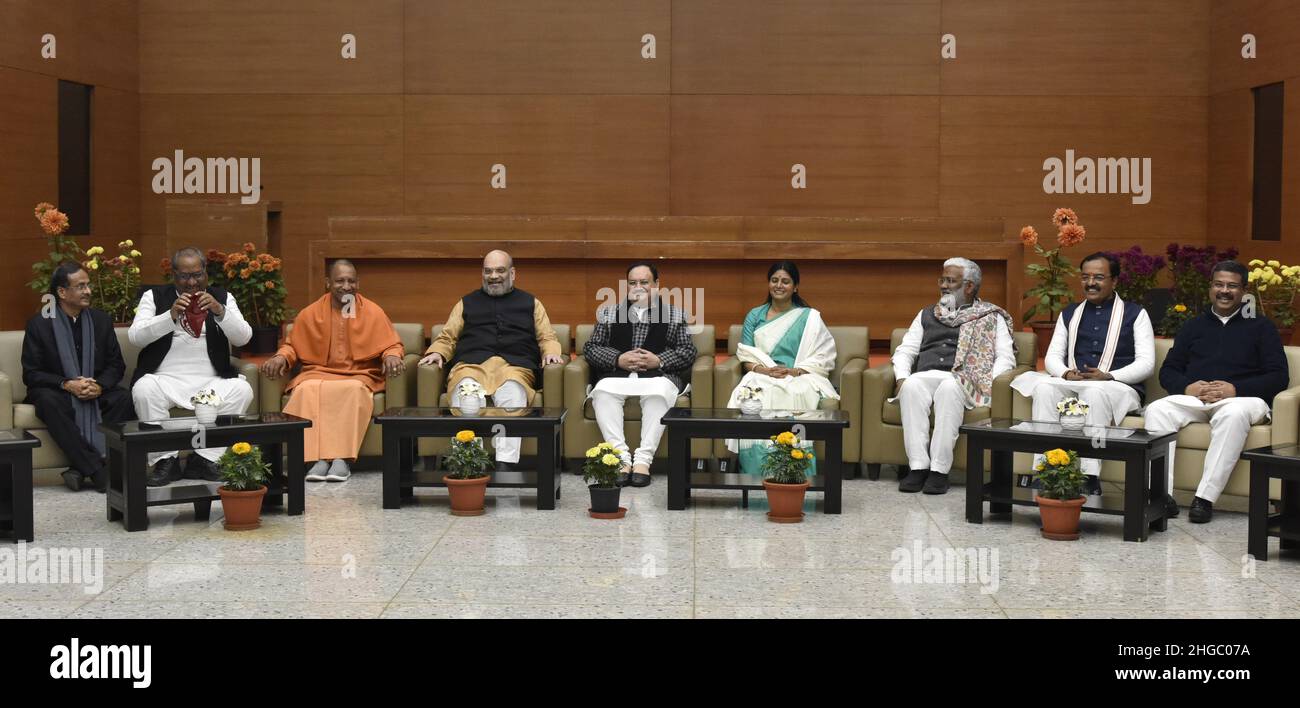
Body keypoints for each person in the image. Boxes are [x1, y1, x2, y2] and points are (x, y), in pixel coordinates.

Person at [1144, 260, 1289, 523]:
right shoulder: (1193, 326)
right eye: (1219, 284)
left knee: (1231, 414)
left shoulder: (1261, 327)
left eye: (1232, 286)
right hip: (1197, 400)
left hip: (1244, 401)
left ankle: (1204, 499)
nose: (1224, 291)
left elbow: (1279, 377)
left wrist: (1236, 389)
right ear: (1210, 288)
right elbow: (1169, 371)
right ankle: (1161, 497)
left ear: (1244, 291)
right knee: (1157, 410)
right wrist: (1189, 387)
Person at [1011, 251, 1154, 498]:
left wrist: (1109, 376)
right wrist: (1066, 373)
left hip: (1118, 385)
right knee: (1045, 388)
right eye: (1085, 277)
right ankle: (1045, 470)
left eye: (1099, 277)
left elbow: (1146, 363)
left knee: (1094, 390)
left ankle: (1089, 476)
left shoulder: (1136, 314)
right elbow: (1053, 356)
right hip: (1075, 383)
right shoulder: (1071, 313)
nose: (1091, 283)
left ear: (1115, 281)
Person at [260, 259, 405, 482]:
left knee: (354, 390)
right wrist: (281, 357)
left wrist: (392, 355)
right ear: (328, 283)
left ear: (358, 283)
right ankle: (315, 459)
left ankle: (341, 459)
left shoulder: (373, 311)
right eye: (340, 281)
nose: (346, 286)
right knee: (305, 390)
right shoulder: (310, 313)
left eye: (351, 281)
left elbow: (391, 345)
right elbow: (292, 346)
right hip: (318, 373)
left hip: (359, 374)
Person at [419, 250, 563, 468]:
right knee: (466, 393)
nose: (494, 276)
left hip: (515, 367)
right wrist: (437, 352)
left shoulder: (531, 303)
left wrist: (551, 351)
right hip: (471, 365)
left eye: (500, 270)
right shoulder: (465, 302)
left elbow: (547, 336)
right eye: (488, 271)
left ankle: (506, 464)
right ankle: (467, 462)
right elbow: (448, 335)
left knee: (513, 395)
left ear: (512, 273)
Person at [129, 247, 254, 486]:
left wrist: (220, 311)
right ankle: (165, 460)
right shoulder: (154, 296)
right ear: (174, 275)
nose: (191, 282)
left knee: (242, 390)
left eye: (197, 275)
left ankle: (206, 458)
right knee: (143, 388)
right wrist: (170, 316)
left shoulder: (222, 297)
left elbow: (243, 338)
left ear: (205, 273)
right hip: (164, 378)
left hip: (210, 383)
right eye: (184, 276)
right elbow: (136, 337)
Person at [893, 257, 1016, 495]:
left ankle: (939, 471)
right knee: (911, 385)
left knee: (950, 387)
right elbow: (906, 350)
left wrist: (989, 384)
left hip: (965, 380)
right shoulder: (926, 314)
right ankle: (918, 467)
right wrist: (901, 378)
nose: (944, 286)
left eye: (951, 281)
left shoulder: (991, 316)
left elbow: (1005, 357)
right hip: (927, 374)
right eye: (942, 280)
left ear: (969, 286)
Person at [20, 261, 135, 492]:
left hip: (95, 389)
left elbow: (116, 364)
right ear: (62, 292)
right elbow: (32, 373)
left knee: (123, 398)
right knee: (47, 402)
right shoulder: (40, 324)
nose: (88, 291)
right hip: (58, 391)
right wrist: (67, 384)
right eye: (80, 286)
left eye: (88, 285)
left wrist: (99, 386)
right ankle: (98, 470)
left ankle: (79, 469)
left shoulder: (100, 321)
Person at [584, 262, 697, 487]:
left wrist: (660, 360)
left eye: (644, 282)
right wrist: (618, 359)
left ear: (656, 285)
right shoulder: (608, 313)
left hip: (658, 377)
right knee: (603, 392)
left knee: (657, 394)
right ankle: (621, 460)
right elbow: (591, 348)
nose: (638, 287)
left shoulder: (675, 315)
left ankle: (643, 461)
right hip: (618, 376)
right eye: (633, 283)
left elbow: (688, 352)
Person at [723, 261, 839, 475]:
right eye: (774, 280)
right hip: (762, 373)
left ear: (795, 287)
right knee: (757, 393)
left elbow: (824, 354)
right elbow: (746, 355)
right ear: (768, 283)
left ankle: (794, 470)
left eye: (785, 281)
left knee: (795, 391)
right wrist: (766, 371)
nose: (779, 285)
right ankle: (755, 471)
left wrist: (795, 371)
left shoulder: (809, 317)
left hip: (798, 375)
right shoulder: (755, 315)